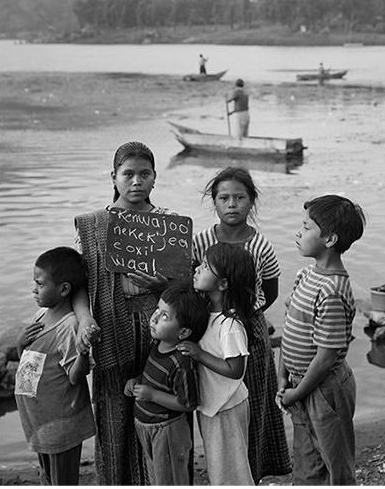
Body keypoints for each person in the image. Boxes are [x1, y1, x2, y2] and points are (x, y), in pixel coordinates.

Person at [73, 141, 178, 485]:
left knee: (159, 412)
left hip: (157, 331)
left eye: (144, 174)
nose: (136, 181)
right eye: (128, 174)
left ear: (154, 178)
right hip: (111, 330)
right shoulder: (93, 225)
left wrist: (162, 286)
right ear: (114, 177)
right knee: (114, 414)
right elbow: (77, 284)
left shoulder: (168, 225)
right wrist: (86, 318)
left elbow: (185, 290)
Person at [192, 166, 291, 482]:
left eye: (239, 197)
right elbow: (194, 282)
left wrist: (243, 314)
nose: (231, 204)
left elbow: (270, 291)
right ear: (215, 202)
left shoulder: (261, 245)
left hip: (251, 330)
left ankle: (253, 470)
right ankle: (226, 467)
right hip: (210, 329)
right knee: (217, 400)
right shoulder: (201, 241)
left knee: (254, 402)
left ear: (252, 201)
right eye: (224, 198)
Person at [278, 194, 366, 484]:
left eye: (306, 228)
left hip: (324, 390)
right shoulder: (305, 276)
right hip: (301, 383)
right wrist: (283, 377)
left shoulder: (331, 291)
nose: (298, 233)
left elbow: (327, 356)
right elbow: (290, 327)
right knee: (307, 460)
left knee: (334, 464)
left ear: (329, 239)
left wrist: (297, 392)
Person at [14, 247, 95, 485]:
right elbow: (29, 360)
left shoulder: (69, 327)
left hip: (61, 423)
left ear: (63, 289)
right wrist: (20, 343)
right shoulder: (41, 315)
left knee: (62, 480)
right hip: (41, 421)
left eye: (40, 284)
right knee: (47, 477)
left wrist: (82, 353)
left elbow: (75, 377)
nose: (34, 289)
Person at [178, 243, 256, 484]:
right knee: (219, 466)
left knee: (232, 470)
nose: (197, 270)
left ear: (223, 284)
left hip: (227, 406)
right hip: (214, 403)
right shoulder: (207, 311)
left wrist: (199, 354)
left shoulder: (229, 325)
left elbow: (236, 370)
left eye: (204, 266)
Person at [124, 283, 207, 485]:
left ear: (184, 332)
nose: (153, 318)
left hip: (167, 430)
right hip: (147, 426)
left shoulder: (181, 362)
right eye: (157, 310)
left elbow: (187, 404)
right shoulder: (157, 344)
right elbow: (155, 377)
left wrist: (152, 395)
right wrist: (137, 381)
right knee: (156, 477)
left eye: (164, 316)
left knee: (170, 479)